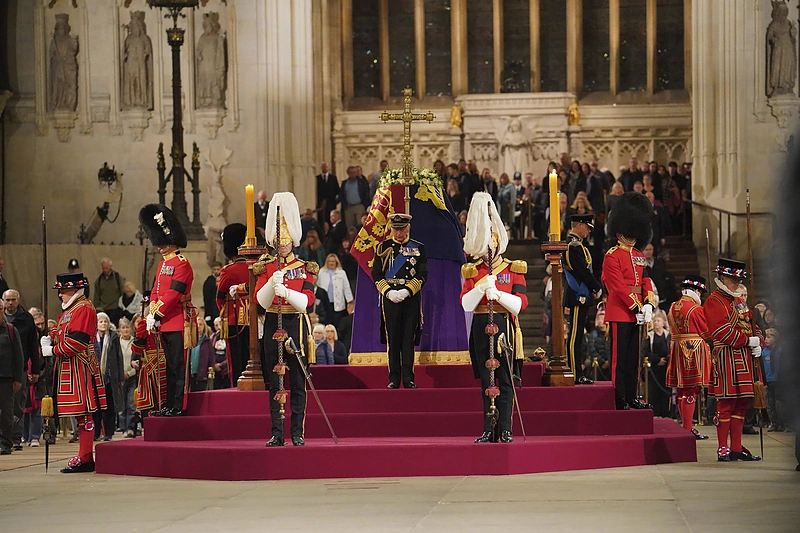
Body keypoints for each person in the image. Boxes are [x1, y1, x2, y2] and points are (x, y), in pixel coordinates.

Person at [460, 193, 528, 443]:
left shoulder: (513, 268)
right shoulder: (473, 270)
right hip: (479, 325)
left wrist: (497, 294)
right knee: (485, 382)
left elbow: (519, 305)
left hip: (503, 326)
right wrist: (479, 288)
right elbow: (466, 304)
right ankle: (489, 428)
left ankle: (506, 427)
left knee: (505, 380)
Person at [255, 192, 318, 447]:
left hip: (296, 324)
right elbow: (260, 301)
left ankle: (298, 432)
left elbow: (308, 301)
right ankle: (277, 432)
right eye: (279, 241)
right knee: (275, 381)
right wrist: (272, 284)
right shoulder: (266, 265)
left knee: (299, 382)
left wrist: (288, 292)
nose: (283, 245)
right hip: (273, 323)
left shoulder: (305, 267)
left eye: (286, 240)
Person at [40, 272, 107, 473]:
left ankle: (86, 456)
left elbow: (77, 341)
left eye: (63, 291)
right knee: (79, 415)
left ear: (74, 290)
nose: (60, 295)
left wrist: (52, 350)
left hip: (80, 366)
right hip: (69, 367)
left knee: (84, 413)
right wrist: (50, 337)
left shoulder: (84, 308)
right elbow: (62, 330)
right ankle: (84, 455)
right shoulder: (70, 310)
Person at [602, 192, 657, 411]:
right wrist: (636, 306)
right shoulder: (612, 255)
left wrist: (648, 304)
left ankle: (632, 396)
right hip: (620, 311)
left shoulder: (638, 255)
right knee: (620, 360)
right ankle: (619, 397)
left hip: (637, 312)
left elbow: (645, 280)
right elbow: (618, 287)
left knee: (634, 359)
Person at [139, 204, 196, 417]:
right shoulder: (163, 264)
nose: (160, 247)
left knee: (177, 366)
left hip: (178, 320)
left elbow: (174, 293)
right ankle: (169, 403)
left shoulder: (182, 264)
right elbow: (156, 289)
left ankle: (178, 405)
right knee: (168, 366)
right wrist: (151, 311)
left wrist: (157, 313)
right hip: (164, 322)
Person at [704, 258, 763, 462]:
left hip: (744, 357)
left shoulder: (739, 301)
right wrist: (748, 340)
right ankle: (723, 448)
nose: (737, 284)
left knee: (742, 404)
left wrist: (758, 341)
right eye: (733, 279)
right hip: (726, 357)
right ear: (722, 277)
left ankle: (736, 447)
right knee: (726, 403)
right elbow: (721, 332)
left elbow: (751, 323)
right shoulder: (714, 300)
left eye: (738, 280)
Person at [372, 213, 428, 389]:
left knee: (407, 339)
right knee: (393, 339)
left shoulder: (419, 248)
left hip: (410, 298)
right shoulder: (383, 247)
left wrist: (407, 290)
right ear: (391, 229)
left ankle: (408, 378)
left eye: (402, 229)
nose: (398, 233)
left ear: (408, 228)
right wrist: (388, 292)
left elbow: (422, 274)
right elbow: (376, 274)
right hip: (390, 298)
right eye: (395, 229)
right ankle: (394, 378)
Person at [665, 275, 712, 439]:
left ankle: (686, 427)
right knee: (692, 389)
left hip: (677, 348)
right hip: (693, 350)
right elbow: (707, 332)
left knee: (681, 390)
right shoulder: (695, 309)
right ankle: (687, 428)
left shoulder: (672, 306)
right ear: (697, 291)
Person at [563, 214, 603, 384]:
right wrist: (596, 286)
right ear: (578, 225)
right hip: (577, 294)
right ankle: (574, 372)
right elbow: (582, 271)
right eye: (586, 226)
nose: (588, 231)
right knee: (575, 336)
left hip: (581, 294)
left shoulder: (578, 245)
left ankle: (577, 372)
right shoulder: (573, 246)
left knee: (578, 336)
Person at [3, 289, 40, 450]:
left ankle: (16, 437)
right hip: (2, 368)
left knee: (18, 404)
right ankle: (4, 438)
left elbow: (33, 345)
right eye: (7, 300)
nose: (10, 303)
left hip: (20, 367)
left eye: (13, 300)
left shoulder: (26, 319)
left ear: (17, 301)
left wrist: (36, 369)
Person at [216, 223, 250, 386]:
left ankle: (237, 385)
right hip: (255, 318)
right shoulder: (254, 267)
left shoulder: (228, 270)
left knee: (236, 357)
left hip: (233, 318)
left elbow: (220, 297)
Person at [131, 300, 167, 417]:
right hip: (167, 363)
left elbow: (137, 347)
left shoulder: (144, 323)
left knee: (152, 396)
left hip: (150, 365)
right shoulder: (166, 321)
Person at [93, 312, 123, 441]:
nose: (103, 324)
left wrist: (120, 377)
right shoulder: (92, 338)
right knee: (96, 408)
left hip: (110, 376)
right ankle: (95, 433)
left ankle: (109, 433)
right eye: (101, 322)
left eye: (105, 321)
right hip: (95, 377)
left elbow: (119, 356)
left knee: (110, 406)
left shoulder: (114, 337)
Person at [0, 299, 23, 455]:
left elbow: (19, 356)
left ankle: (6, 444)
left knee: (7, 414)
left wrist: (18, 379)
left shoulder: (10, 330)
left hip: (6, 378)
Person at [643, 311, 671, 418]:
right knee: (653, 391)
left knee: (665, 391)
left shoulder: (668, 335)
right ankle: (655, 413)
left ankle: (666, 413)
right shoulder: (649, 335)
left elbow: (671, 350)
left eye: (658, 321)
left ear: (663, 323)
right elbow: (645, 351)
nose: (656, 323)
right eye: (654, 321)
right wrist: (657, 360)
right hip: (653, 368)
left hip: (666, 367)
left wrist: (665, 359)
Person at [316, 254, 354, 330]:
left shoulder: (341, 273)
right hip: (325, 303)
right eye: (329, 261)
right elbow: (318, 287)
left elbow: (346, 288)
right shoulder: (322, 272)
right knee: (326, 322)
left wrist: (350, 301)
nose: (331, 263)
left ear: (336, 262)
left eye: (333, 261)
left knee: (337, 323)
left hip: (338, 302)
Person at [116, 318, 137, 438]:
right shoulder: (116, 342)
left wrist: (130, 373)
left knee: (131, 403)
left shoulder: (134, 342)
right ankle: (123, 428)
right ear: (119, 330)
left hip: (132, 376)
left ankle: (130, 428)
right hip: (120, 378)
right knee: (121, 404)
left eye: (127, 327)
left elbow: (137, 359)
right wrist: (120, 374)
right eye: (123, 328)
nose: (125, 330)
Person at [763, 328, 784, 432]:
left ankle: (782, 423)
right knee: (769, 403)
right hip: (768, 380)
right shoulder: (764, 352)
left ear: (775, 339)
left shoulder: (780, 351)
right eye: (765, 337)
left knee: (779, 403)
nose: (766, 339)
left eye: (769, 337)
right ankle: (773, 422)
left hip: (778, 380)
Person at [92, 258, 125, 326]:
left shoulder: (117, 278)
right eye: (103, 268)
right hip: (104, 309)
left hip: (115, 308)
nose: (105, 270)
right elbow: (97, 295)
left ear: (110, 266)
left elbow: (122, 291)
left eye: (106, 268)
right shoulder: (99, 280)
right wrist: (97, 307)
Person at [189, 318, 215, 391]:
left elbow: (211, 358)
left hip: (202, 374)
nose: (199, 326)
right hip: (190, 374)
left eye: (201, 324)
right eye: (197, 324)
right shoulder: (189, 340)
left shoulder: (207, 341)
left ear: (204, 326)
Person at [202, 261, 222, 328]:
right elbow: (207, 298)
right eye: (214, 269)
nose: (216, 271)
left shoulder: (223, 279)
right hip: (212, 308)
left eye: (218, 269)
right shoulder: (209, 281)